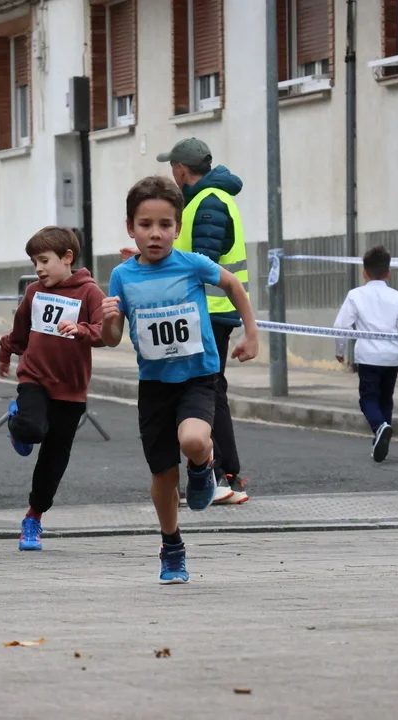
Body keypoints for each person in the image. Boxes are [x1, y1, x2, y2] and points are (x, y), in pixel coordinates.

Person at [101, 176, 259, 585]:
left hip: (198, 376)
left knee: (193, 440)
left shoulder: (192, 264)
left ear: (178, 226)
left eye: (165, 224)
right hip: (155, 384)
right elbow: (112, 337)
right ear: (130, 228)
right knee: (163, 477)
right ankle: (171, 545)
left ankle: (203, 467)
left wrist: (251, 333)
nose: (155, 234)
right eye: (145, 225)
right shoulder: (122, 276)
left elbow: (232, 283)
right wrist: (108, 320)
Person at [0, 227, 106, 551]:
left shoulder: (89, 292)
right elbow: (20, 330)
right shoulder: (34, 292)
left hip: (71, 390)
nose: (39, 269)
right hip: (35, 377)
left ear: (67, 257)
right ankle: (18, 423)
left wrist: (82, 330)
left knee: (53, 460)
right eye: (35, 263)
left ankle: (33, 518)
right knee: (31, 429)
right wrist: (5, 352)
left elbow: (104, 331)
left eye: (44, 261)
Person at [333, 245, 398, 463]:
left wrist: (340, 350)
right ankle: (380, 439)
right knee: (385, 400)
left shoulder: (355, 295)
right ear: (388, 273)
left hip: (368, 357)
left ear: (364, 273)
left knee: (368, 400)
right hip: (391, 358)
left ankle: (380, 427)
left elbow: (341, 326)